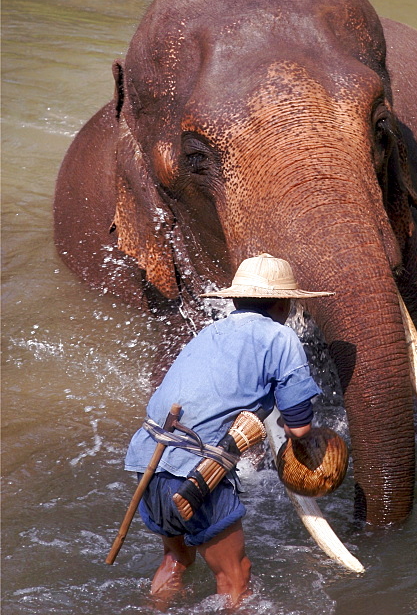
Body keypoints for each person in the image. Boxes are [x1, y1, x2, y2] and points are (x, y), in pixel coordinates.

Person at [124, 253, 333, 606]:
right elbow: (298, 428)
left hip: (149, 463)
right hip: (195, 477)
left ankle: (153, 607)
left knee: (175, 561)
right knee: (235, 576)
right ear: (285, 303)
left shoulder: (210, 332)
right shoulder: (281, 339)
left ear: (234, 300)